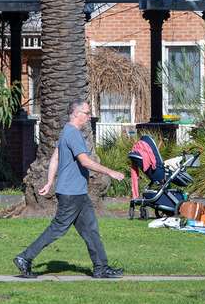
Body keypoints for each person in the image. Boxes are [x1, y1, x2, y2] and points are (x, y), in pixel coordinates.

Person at [13, 99, 126, 279]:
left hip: (77, 193)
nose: (89, 117)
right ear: (75, 113)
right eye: (86, 113)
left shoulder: (65, 131)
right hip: (72, 194)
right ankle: (24, 257)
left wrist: (50, 183)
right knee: (57, 229)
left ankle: (101, 268)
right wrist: (111, 172)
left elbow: (55, 159)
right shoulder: (73, 133)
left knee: (90, 230)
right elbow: (85, 161)